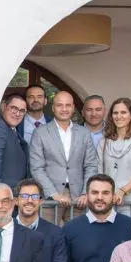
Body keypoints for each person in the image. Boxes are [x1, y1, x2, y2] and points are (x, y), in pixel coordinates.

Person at [29, 90, 100, 218]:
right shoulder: (40, 132)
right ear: (53, 108)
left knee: (76, 231)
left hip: (78, 198)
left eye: (68, 105)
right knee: (49, 231)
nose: (64, 109)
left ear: (73, 107)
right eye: (60, 105)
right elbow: (37, 168)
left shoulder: (84, 133)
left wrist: (85, 192)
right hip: (50, 197)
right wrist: (53, 194)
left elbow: (91, 165)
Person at [0, 93, 30, 185]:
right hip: (5, 189)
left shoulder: (11, 128)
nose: (17, 113)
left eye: (22, 111)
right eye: (14, 108)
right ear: (3, 107)